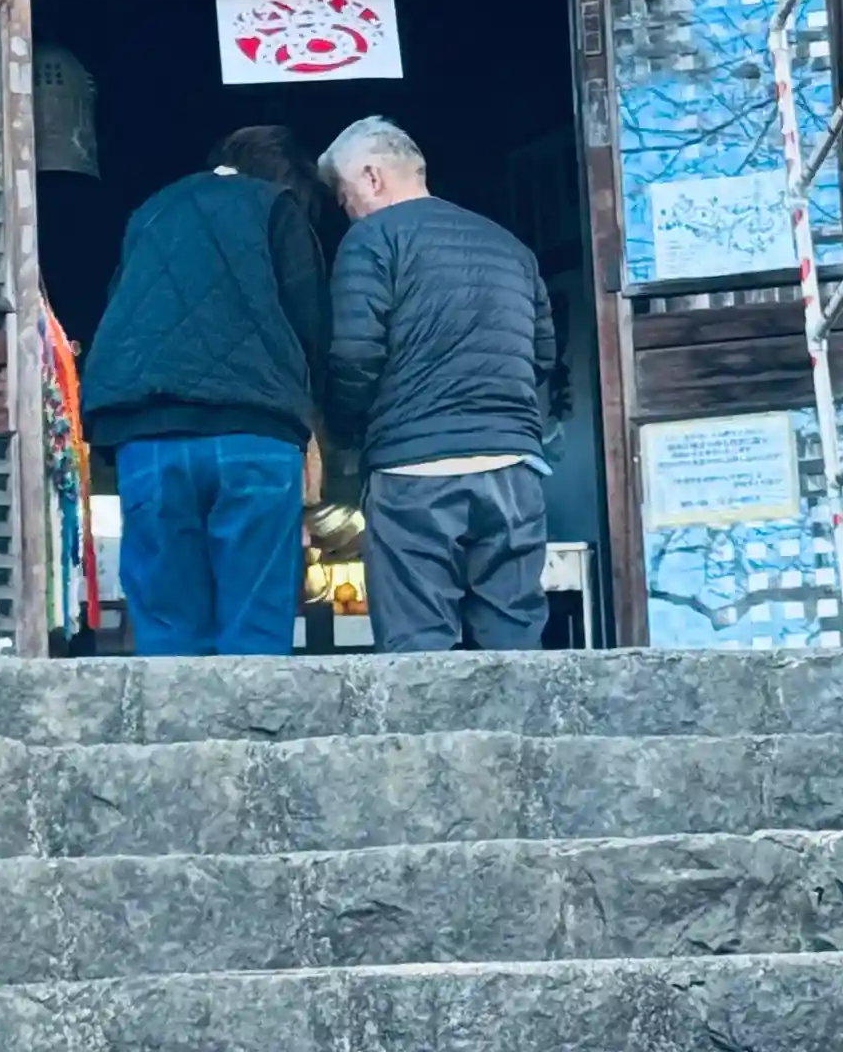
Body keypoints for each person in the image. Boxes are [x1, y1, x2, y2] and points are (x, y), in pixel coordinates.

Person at [81, 126, 326, 657]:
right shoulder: (276, 207)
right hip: (254, 435)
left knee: (167, 630)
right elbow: (308, 322)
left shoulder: (150, 211)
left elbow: (120, 302)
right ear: (286, 179)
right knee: (255, 631)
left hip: (149, 435)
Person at [319, 116, 555, 653]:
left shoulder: (372, 239)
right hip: (512, 472)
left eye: (344, 195)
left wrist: (346, 438)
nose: (347, 209)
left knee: (418, 646)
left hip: (413, 473)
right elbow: (542, 355)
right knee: (513, 638)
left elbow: (354, 355)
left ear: (372, 177)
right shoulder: (509, 246)